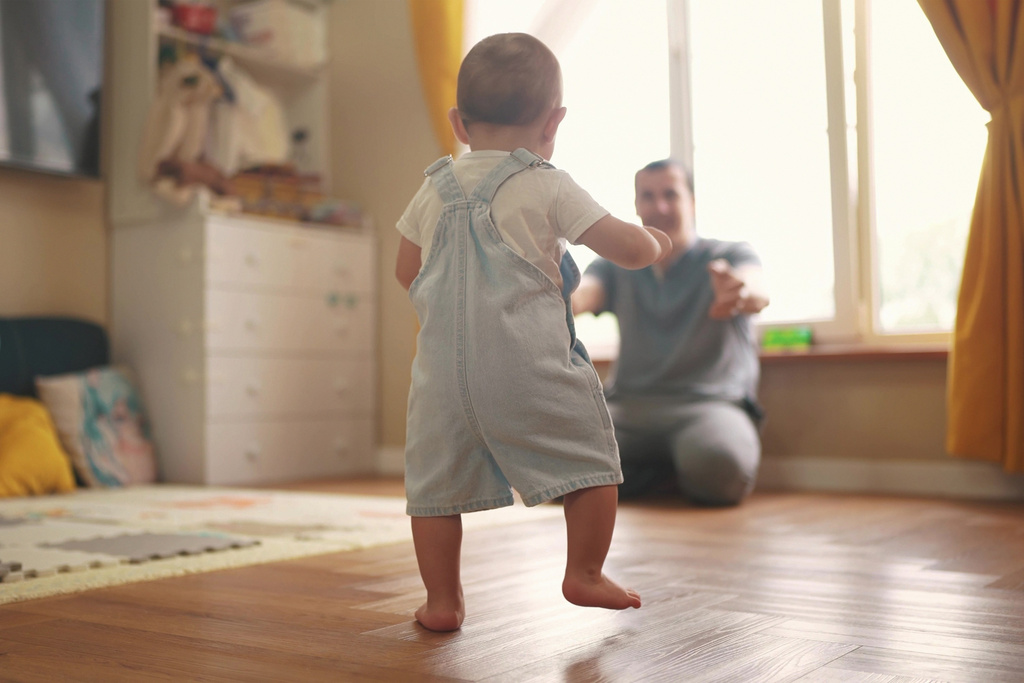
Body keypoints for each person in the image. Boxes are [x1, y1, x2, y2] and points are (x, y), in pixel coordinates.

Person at [394, 33, 671, 632]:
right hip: (527, 368)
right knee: (594, 461)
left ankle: (442, 601)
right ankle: (585, 573)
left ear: (458, 123)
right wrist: (654, 241)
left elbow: (405, 271)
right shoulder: (547, 183)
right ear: (554, 121)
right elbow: (625, 249)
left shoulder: (432, 188)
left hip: (439, 380)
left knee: (435, 491)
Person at [572, 159, 769, 507]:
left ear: (691, 201)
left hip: (708, 406)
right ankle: (665, 473)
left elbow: (756, 291)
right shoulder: (615, 266)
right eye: (648, 196)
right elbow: (584, 294)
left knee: (721, 470)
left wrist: (738, 293)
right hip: (628, 409)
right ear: (636, 205)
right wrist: (554, 293)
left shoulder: (730, 254)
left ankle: (649, 474)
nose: (659, 206)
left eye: (670, 195)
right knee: (563, 465)